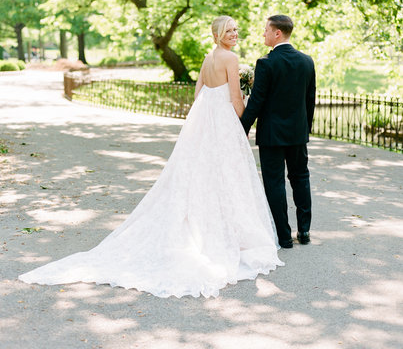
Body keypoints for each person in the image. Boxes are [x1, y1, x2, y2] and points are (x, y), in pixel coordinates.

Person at [19, 16, 283, 298]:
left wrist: (204, 119)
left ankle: (210, 230)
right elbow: (234, 97)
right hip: (222, 122)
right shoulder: (230, 58)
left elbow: (199, 93)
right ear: (218, 34)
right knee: (226, 175)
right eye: (229, 30)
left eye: (235, 29)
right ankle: (229, 236)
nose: (234, 33)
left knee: (203, 175)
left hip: (206, 120)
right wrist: (244, 123)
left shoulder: (209, 58)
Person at [240, 14, 316, 249]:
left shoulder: (266, 63)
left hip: (272, 135)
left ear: (277, 33)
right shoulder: (307, 61)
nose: (263, 34)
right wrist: (305, 130)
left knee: (274, 183)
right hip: (297, 134)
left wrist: (241, 129)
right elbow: (309, 101)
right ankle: (304, 231)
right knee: (301, 178)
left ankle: (284, 237)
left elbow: (256, 102)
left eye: (265, 30)